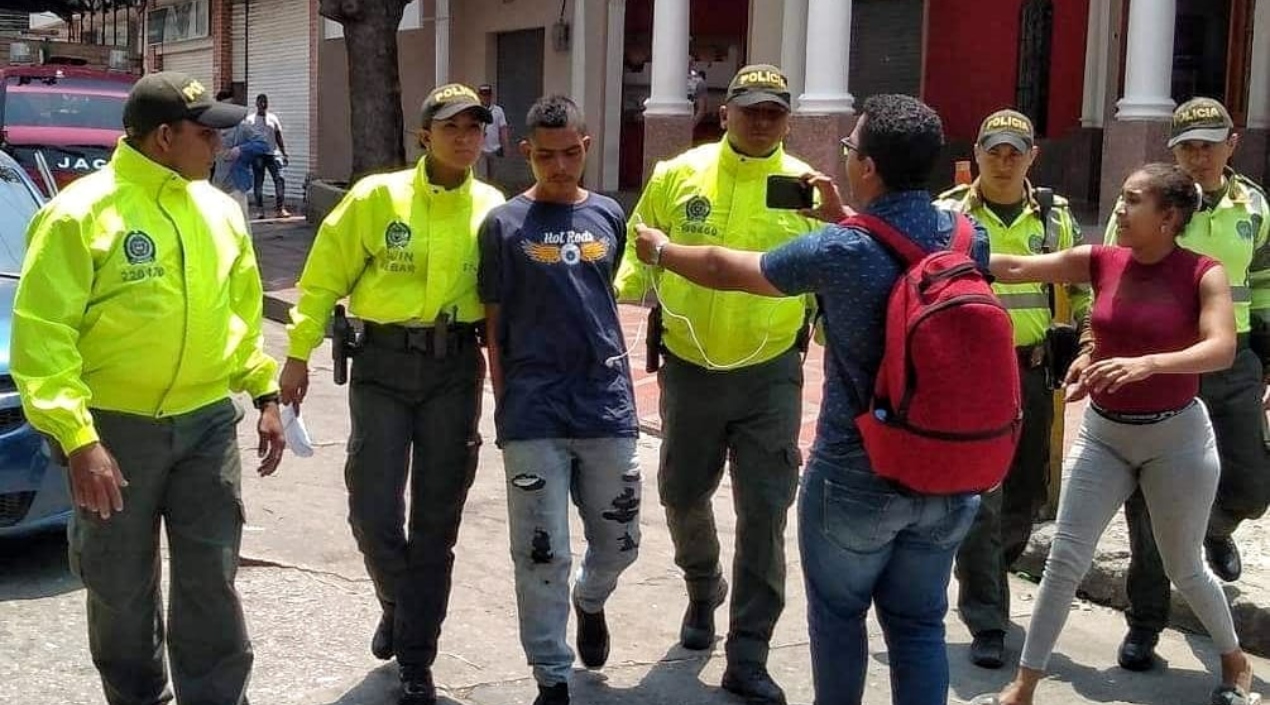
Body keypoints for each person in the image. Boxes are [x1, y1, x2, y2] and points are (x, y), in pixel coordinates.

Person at [633, 93, 987, 705]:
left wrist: (660, 251)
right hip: (945, 469)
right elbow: (902, 249)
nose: (846, 155)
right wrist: (844, 215)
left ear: (868, 166)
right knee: (919, 625)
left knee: (840, 616)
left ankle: (755, 653)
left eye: (851, 147)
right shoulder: (965, 236)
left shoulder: (841, 249)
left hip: (857, 468)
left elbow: (724, 267)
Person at [11, 71, 286, 705]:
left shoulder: (219, 212)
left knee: (211, 579)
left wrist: (264, 393)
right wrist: (79, 439)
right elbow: (42, 336)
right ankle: (137, 696)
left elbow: (239, 315)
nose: (218, 146)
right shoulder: (80, 215)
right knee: (120, 586)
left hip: (207, 424)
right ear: (164, 137)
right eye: (206, 134)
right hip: (114, 431)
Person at [970, 163, 1258, 705]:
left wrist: (1148, 364)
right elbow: (1012, 266)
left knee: (1185, 567)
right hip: (1104, 435)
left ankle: (1234, 660)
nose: (1118, 210)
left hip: (1177, 441)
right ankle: (1025, 685)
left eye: (1132, 201)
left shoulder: (1203, 272)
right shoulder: (1103, 260)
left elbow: (1220, 347)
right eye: (1121, 198)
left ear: (1169, 217)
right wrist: (940, 243)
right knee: (1063, 562)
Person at [278, 83, 503, 705]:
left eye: (475, 127)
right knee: (372, 509)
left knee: (437, 521)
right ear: (423, 136)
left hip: (455, 371)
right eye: (451, 126)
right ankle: (399, 604)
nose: (464, 137)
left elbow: (504, 303)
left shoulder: (492, 206)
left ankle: (416, 657)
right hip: (380, 365)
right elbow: (322, 280)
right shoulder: (377, 198)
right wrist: (296, 354)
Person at [612, 63, 821, 705]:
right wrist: (618, 294)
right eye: (750, 109)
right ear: (723, 110)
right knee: (680, 492)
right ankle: (703, 586)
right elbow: (635, 242)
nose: (762, 121)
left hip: (770, 377)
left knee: (764, 511)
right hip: (690, 369)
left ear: (788, 120)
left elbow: (834, 270)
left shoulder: (807, 189)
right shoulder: (679, 174)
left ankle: (749, 652)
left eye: (774, 112)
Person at [478, 95, 641, 705]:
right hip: (533, 411)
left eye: (570, 153)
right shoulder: (503, 225)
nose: (560, 166)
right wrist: (504, 401)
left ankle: (591, 598)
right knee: (541, 550)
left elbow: (603, 297)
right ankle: (551, 673)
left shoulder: (607, 215)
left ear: (586, 146)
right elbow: (493, 324)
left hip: (605, 405)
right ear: (526, 153)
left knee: (621, 542)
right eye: (546, 156)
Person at [1102, 98, 1270, 672]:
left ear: (1232, 143)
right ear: (1172, 149)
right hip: (1166, 366)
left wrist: (1266, 359)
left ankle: (1211, 530)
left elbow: (1265, 283)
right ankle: (1144, 625)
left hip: (1234, 362)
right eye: (1186, 146)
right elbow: (1111, 278)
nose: (1197, 156)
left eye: (1208, 144)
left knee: (1253, 485)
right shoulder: (1154, 202)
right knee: (1149, 509)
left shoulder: (1255, 205)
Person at [934, 108, 1090, 669]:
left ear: (1032, 157)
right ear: (976, 152)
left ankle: (990, 575)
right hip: (971, 376)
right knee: (982, 498)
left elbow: (1078, 287)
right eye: (993, 150)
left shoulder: (1054, 218)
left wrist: (1090, 338)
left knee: (1025, 494)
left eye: (1014, 151)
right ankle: (988, 618)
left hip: (1033, 372)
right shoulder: (946, 215)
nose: (1003, 161)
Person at [212, 89, 271, 223]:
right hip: (217, 187)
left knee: (241, 227)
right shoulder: (213, 129)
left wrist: (241, 149)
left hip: (236, 187)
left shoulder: (242, 128)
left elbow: (263, 143)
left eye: (230, 106)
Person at [247, 93, 290, 219]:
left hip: (273, 154)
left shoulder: (273, 118)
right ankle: (260, 210)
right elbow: (246, 138)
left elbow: (278, 137)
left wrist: (284, 152)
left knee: (280, 179)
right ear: (256, 104)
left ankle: (280, 209)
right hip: (258, 156)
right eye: (261, 102)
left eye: (265, 102)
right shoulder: (250, 120)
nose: (263, 105)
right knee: (259, 182)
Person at [476, 84, 511, 182]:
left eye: (487, 95)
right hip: (480, 150)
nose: (485, 97)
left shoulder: (498, 111)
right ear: (479, 96)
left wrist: (506, 146)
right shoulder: (475, 111)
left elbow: (503, 129)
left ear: (491, 96)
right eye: (483, 95)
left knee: (494, 179)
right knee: (481, 178)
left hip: (495, 149)